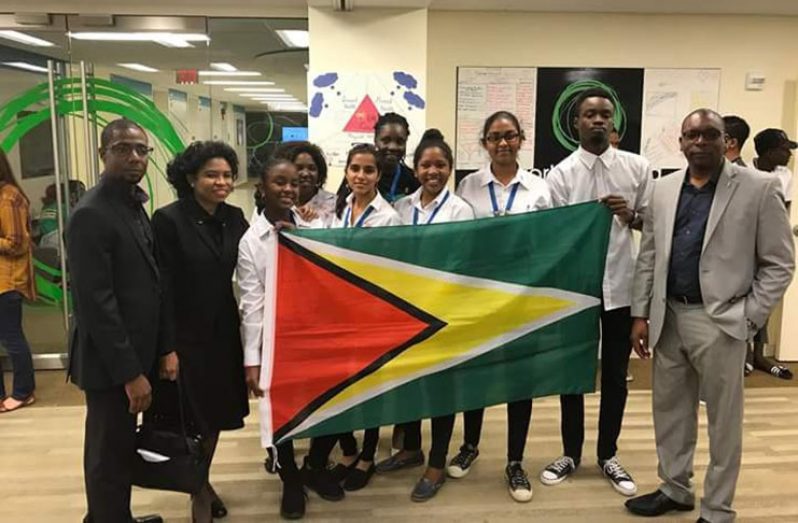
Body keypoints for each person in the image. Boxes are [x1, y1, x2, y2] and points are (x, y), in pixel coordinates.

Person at [626, 109, 794, 522]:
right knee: (670, 411)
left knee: (723, 419)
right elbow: (648, 257)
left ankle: (717, 508)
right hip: (669, 318)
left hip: (722, 320)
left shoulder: (759, 187)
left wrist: (750, 317)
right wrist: (640, 314)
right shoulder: (661, 190)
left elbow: (779, 264)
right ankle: (675, 487)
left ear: (726, 142)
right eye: (691, 135)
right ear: (680, 142)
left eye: (709, 134)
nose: (699, 142)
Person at [541, 87, 652, 498]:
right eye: (590, 114)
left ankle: (608, 454)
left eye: (605, 114)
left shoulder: (637, 168)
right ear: (577, 123)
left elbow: (651, 228)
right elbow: (550, 233)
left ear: (614, 122)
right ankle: (571, 453)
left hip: (621, 287)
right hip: (577, 289)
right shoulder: (561, 174)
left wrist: (630, 214)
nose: (598, 120)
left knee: (616, 377)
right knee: (572, 373)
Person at [66, 118, 177, 523]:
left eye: (141, 150)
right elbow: (97, 304)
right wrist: (131, 373)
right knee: (108, 452)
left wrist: (165, 346)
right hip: (111, 363)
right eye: (122, 149)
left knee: (121, 448)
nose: (134, 157)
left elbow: (153, 281)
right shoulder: (91, 214)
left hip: (140, 351)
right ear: (102, 154)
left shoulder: (132, 204)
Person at [452, 110, 551, 503]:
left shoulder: (538, 189)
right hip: (479, 299)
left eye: (510, 135)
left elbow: (549, 241)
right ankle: (470, 445)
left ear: (521, 139)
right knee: (476, 375)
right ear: (485, 143)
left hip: (523, 300)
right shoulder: (469, 187)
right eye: (495, 137)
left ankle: (514, 461)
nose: (503, 143)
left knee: (518, 382)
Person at [238, 157, 343, 519]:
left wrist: (308, 236)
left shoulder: (314, 224)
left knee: (329, 403)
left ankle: (315, 464)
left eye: (294, 183)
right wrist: (252, 358)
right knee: (281, 412)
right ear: (262, 189)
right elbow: (251, 304)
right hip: (278, 342)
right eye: (279, 182)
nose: (288, 189)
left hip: (319, 334)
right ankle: (291, 480)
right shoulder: (251, 242)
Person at [150, 141, 250, 521]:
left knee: (215, 414)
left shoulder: (235, 217)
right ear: (191, 178)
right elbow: (162, 288)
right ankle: (197, 492)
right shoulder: (168, 220)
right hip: (184, 335)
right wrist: (167, 347)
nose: (221, 182)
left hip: (223, 332)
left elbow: (257, 254)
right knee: (190, 419)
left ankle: (200, 483)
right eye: (211, 175)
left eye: (226, 175)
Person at [390, 129, 475, 501]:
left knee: (441, 388)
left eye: (440, 165)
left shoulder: (461, 210)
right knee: (409, 381)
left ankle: (437, 463)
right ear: (415, 167)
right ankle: (410, 449)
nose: (433, 171)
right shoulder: (402, 208)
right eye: (426, 164)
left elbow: (461, 264)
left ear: (450, 169)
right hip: (407, 310)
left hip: (443, 312)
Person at [330, 143, 402, 492]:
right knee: (341, 381)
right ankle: (347, 450)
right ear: (346, 171)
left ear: (378, 175)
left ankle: (368, 455)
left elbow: (388, 271)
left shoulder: (387, 217)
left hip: (372, 313)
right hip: (339, 311)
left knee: (371, 386)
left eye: (368, 170)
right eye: (355, 168)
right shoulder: (339, 208)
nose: (360, 176)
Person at [746, 127, 797, 379]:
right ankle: (744, 354)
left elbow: (783, 210)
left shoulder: (785, 175)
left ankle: (758, 353)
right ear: (767, 152)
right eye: (783, 149)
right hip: (745, 245)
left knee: (765, 298)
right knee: (744, 295)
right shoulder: (745, 171)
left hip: (769, 244)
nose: (788, 154)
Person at [0, 148, 36, 413]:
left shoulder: (9, 196)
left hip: (7, 281)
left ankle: (24, 391)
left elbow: (16, 243)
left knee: (12, 337)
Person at [336, 112, 420, 211]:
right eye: (386, 140)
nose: (393, 147)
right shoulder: (359, 176)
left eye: (400, 142)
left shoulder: (413, 179)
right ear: (375, 140)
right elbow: (340, 210)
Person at [274, 141, 336, 226]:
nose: (306, 174)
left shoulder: (335, 204)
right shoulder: (273, 203)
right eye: (299, 168)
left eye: (312, 168)